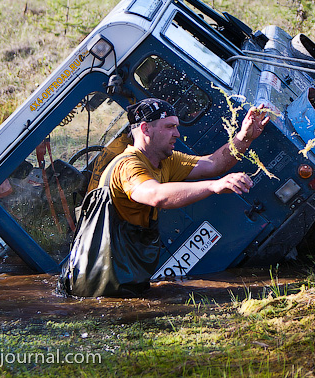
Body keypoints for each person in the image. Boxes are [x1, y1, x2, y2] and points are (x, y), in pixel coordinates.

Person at [61, 98, 270, 297]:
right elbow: (155, 195)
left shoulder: (165, 161)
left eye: (176, 126)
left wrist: (245, 136)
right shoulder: (128, 166)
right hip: (95, 285)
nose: (177, 134)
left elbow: (214, 164)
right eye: (169, 127)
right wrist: (214, 186)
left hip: (123, 278)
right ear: (145, 129)